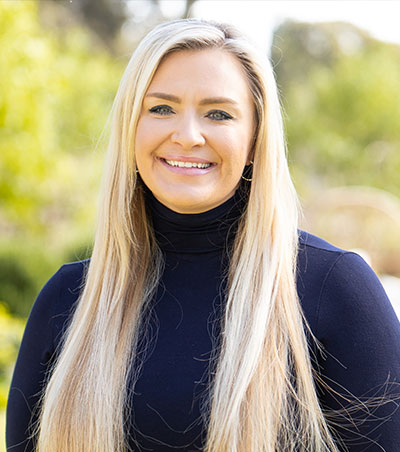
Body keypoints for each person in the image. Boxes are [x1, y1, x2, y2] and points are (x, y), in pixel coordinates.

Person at [6, 18, 400, 452]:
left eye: (218, 113)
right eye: (160, 108)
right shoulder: (68, 299)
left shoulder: (337, 291)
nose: (188, 135)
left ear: (254, 142)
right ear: (130, 130)